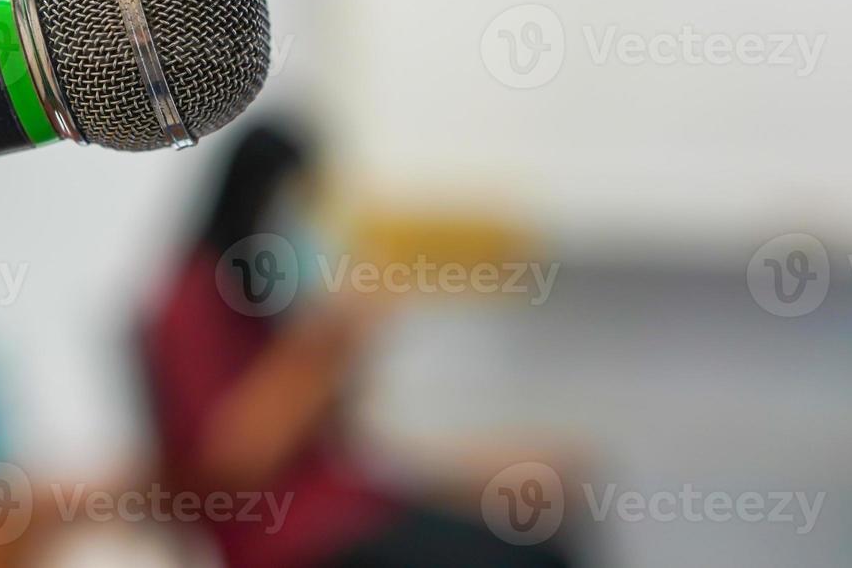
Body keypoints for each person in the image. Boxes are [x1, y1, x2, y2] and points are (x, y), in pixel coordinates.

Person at [140, 120, 576, 568]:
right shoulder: (189, 303)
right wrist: (323, 348)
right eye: (290, 207)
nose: (300, 228)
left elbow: (331, 434)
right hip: (293, 537)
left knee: (545, 536)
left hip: (348, 506)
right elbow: (232, 459)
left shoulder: (257, 296)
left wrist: (345, 352)